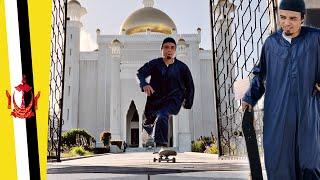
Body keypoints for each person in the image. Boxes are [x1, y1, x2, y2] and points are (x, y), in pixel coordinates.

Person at [242, 0, 320, 179]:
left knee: (310, 163)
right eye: (282, 17)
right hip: (278, 112)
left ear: (302, 18)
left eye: (293, 18)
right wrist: (249, 98)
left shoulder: (315, 38)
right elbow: (260, 76)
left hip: (309, 111)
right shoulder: (271, 44)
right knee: (279, 164)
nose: (286, 23)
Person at [136, 37, 195, 148]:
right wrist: (144, 83)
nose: (169, 50)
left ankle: (161, 145)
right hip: (155, 100)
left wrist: (188, 101)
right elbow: (140, 73)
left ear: (175, 50)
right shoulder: (155, 64)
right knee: (148, 121)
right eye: (167, 47)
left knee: (163, 115)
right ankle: (151, 129)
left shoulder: (182, 67)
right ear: (161, 49)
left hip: (174, 99)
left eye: (172, 48)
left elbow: (190, 85)